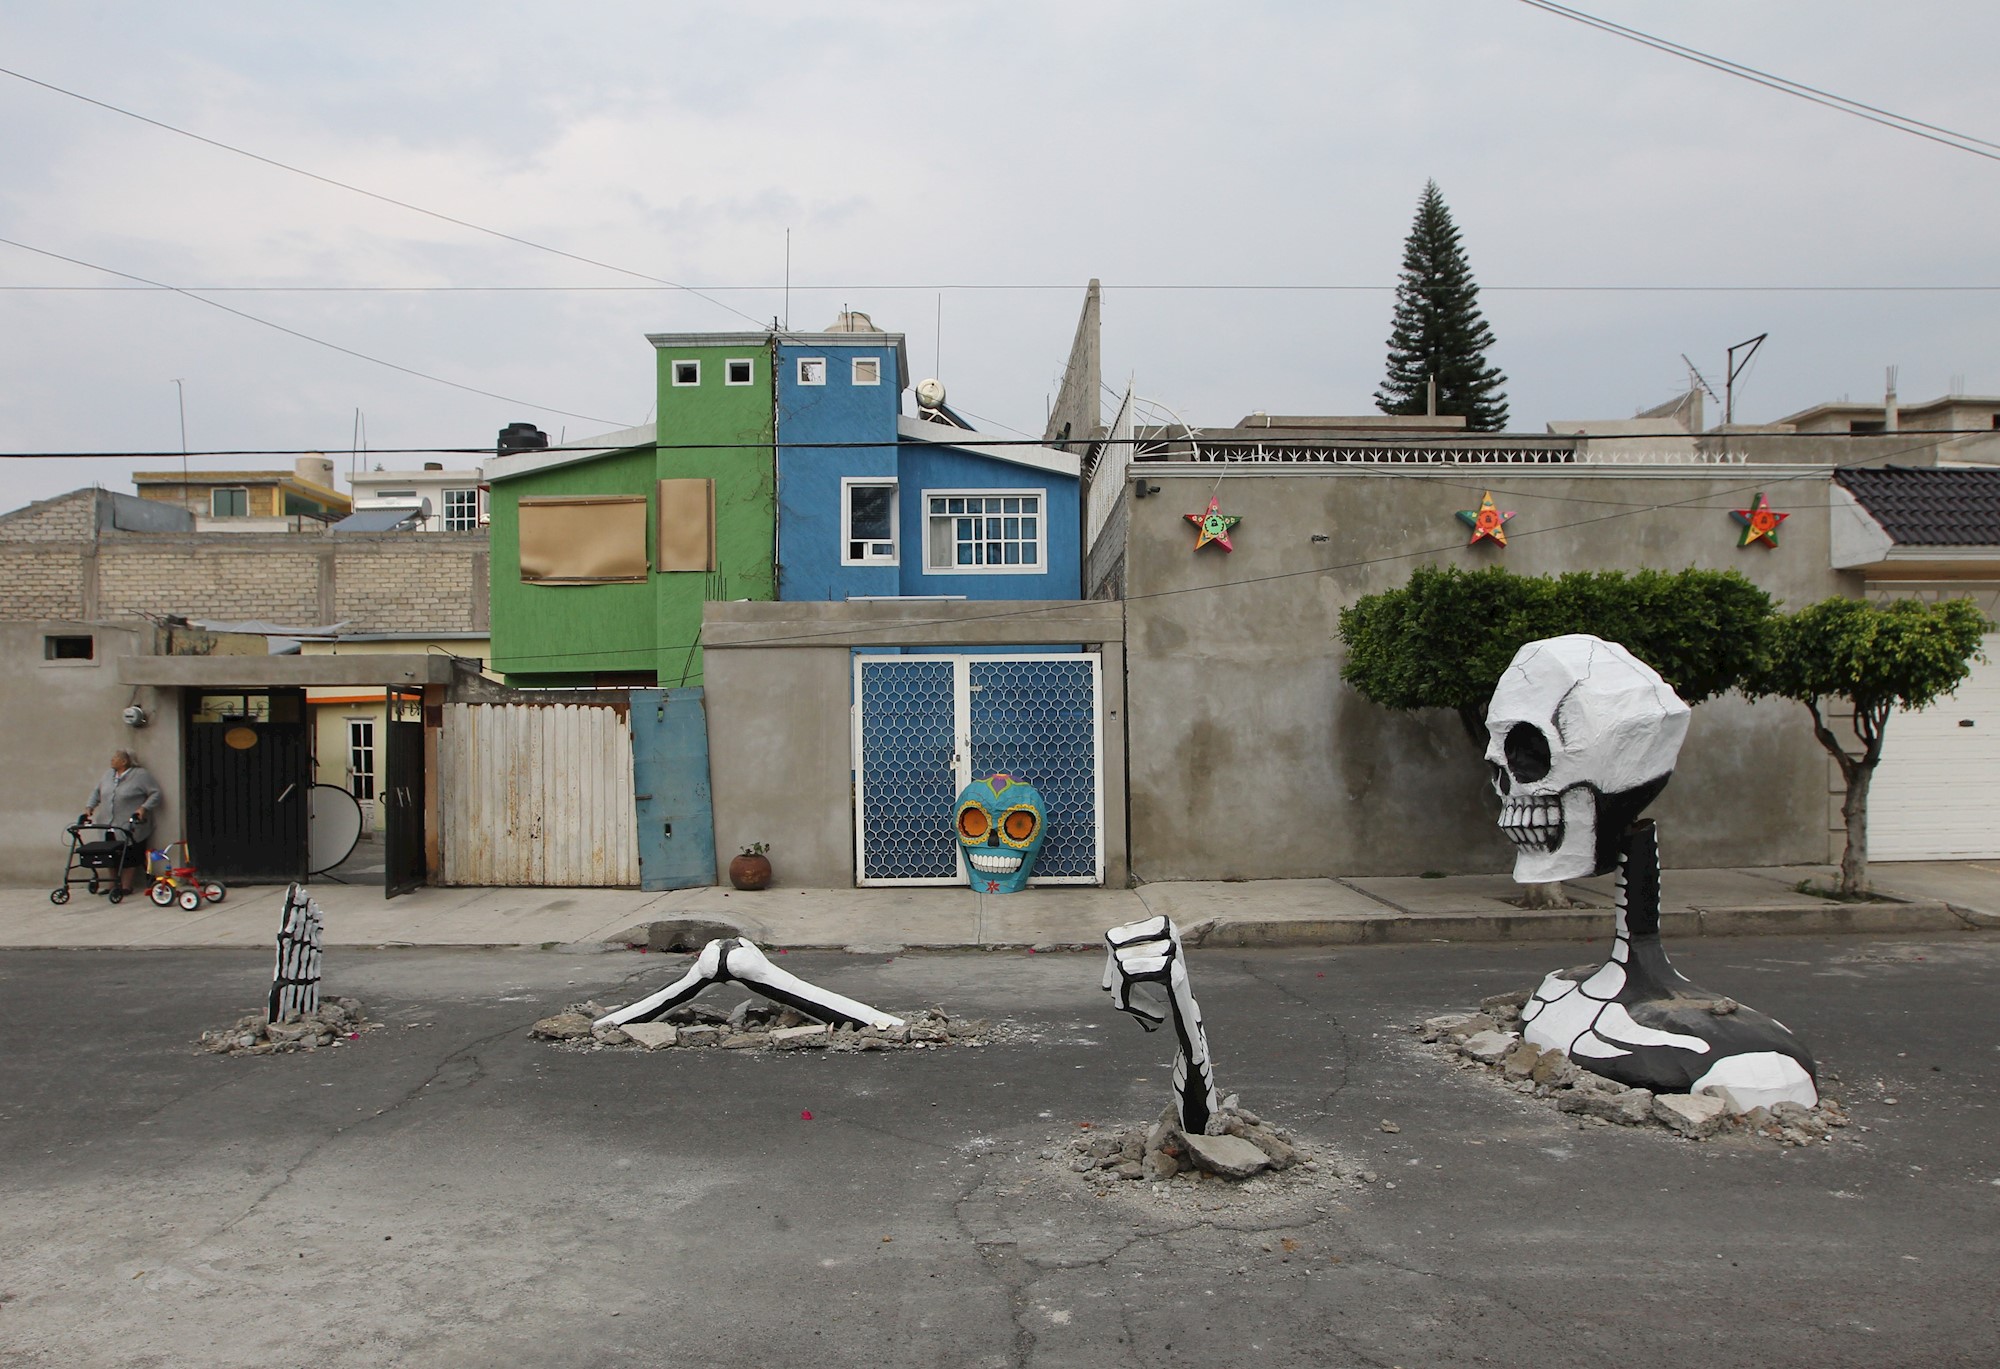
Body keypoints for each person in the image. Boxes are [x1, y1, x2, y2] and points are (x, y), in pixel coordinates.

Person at [82, 749, 162, 894]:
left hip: (131, 824)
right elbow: (96, 792)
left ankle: (126, 886)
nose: (111, 760)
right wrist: (90, 807)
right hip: (108, 823)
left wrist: (143, 808)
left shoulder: (140, 775)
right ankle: (112, 885)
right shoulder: (108, 775)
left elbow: (155, 793)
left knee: (129, 854)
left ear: (124, 762)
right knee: (109, 853)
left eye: (115, 758)